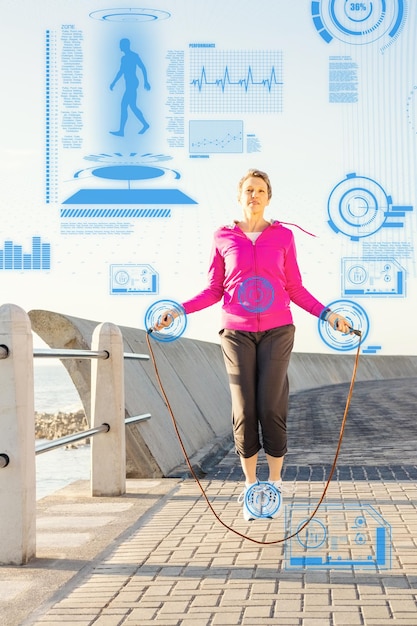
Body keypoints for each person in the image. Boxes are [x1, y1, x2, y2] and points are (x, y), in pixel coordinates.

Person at [154, 169, 353, 520]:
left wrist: (328, 314)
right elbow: (215, 289)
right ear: (239, 195)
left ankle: (274, 487)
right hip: (236, 331)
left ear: (268, 197)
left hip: (278, 330)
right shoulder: (223, 236)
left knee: (270, 407)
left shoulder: (283, 237)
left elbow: (295, 288)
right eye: (248, 190)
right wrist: (179, 309)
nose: (254, 195)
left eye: (260, 190)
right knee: (245, 410)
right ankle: (250, 488)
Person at [110, 38, 151, 136]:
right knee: (132, 106)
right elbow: (121, 71)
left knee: (124, 106)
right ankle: (145, 124)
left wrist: (146, 81)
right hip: (129, 84)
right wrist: (113, 82)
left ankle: (121, 131)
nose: (119, 47)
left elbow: (143, 67)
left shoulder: (134, 56)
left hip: (132, 84)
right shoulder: (123, 58)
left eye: (121, 45)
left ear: (125, 46)